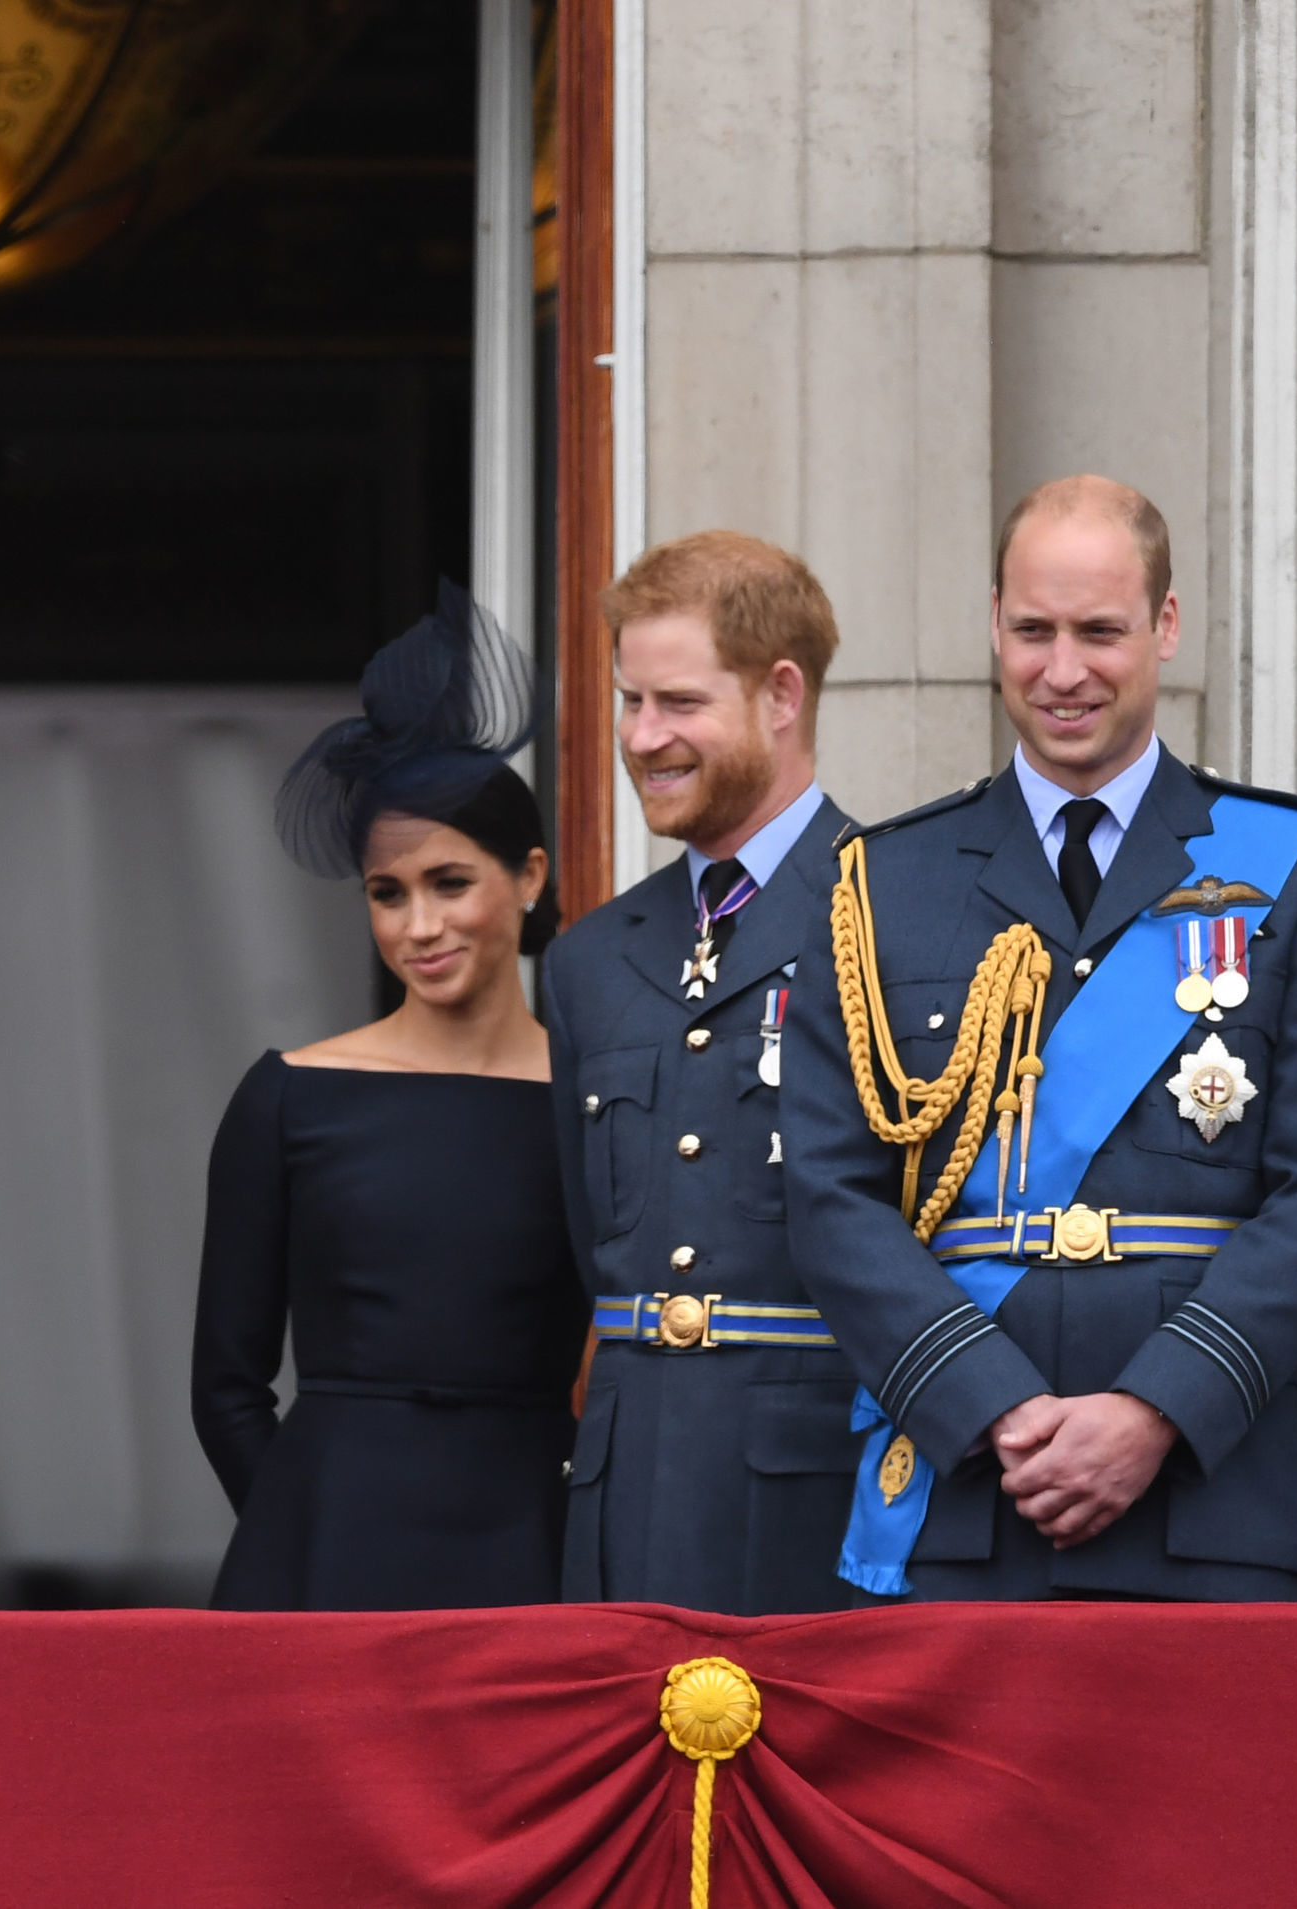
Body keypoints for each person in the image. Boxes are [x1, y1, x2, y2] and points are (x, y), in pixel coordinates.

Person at [784, 476, 1297, 1603]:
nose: (1062, 671)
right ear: (994, 625)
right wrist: (990, 1405)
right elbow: (829, 1194)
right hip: (969, 1493)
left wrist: (1153, 1409)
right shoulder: (880, 884)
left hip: (1210, 1499)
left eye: (1099, 631)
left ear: (1163, 625)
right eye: (1032, 631)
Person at [192, 587, 584, 1611]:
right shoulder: (289, 1096)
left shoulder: (595, 1101)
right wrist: (300, 1527)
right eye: (387, 892)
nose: (418, 925)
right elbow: (224, 1387)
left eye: (449, 882)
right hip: (323, 1563)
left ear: (528, 876)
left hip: (530, 1558)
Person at [544, 531, 860, 1614]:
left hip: (818, 1498)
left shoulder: (902, 917)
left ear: (780, 694)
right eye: (629, 701)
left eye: (675, 702)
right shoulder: (589, 958)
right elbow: (586, 1239)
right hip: (624, 1494)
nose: (641, 737)